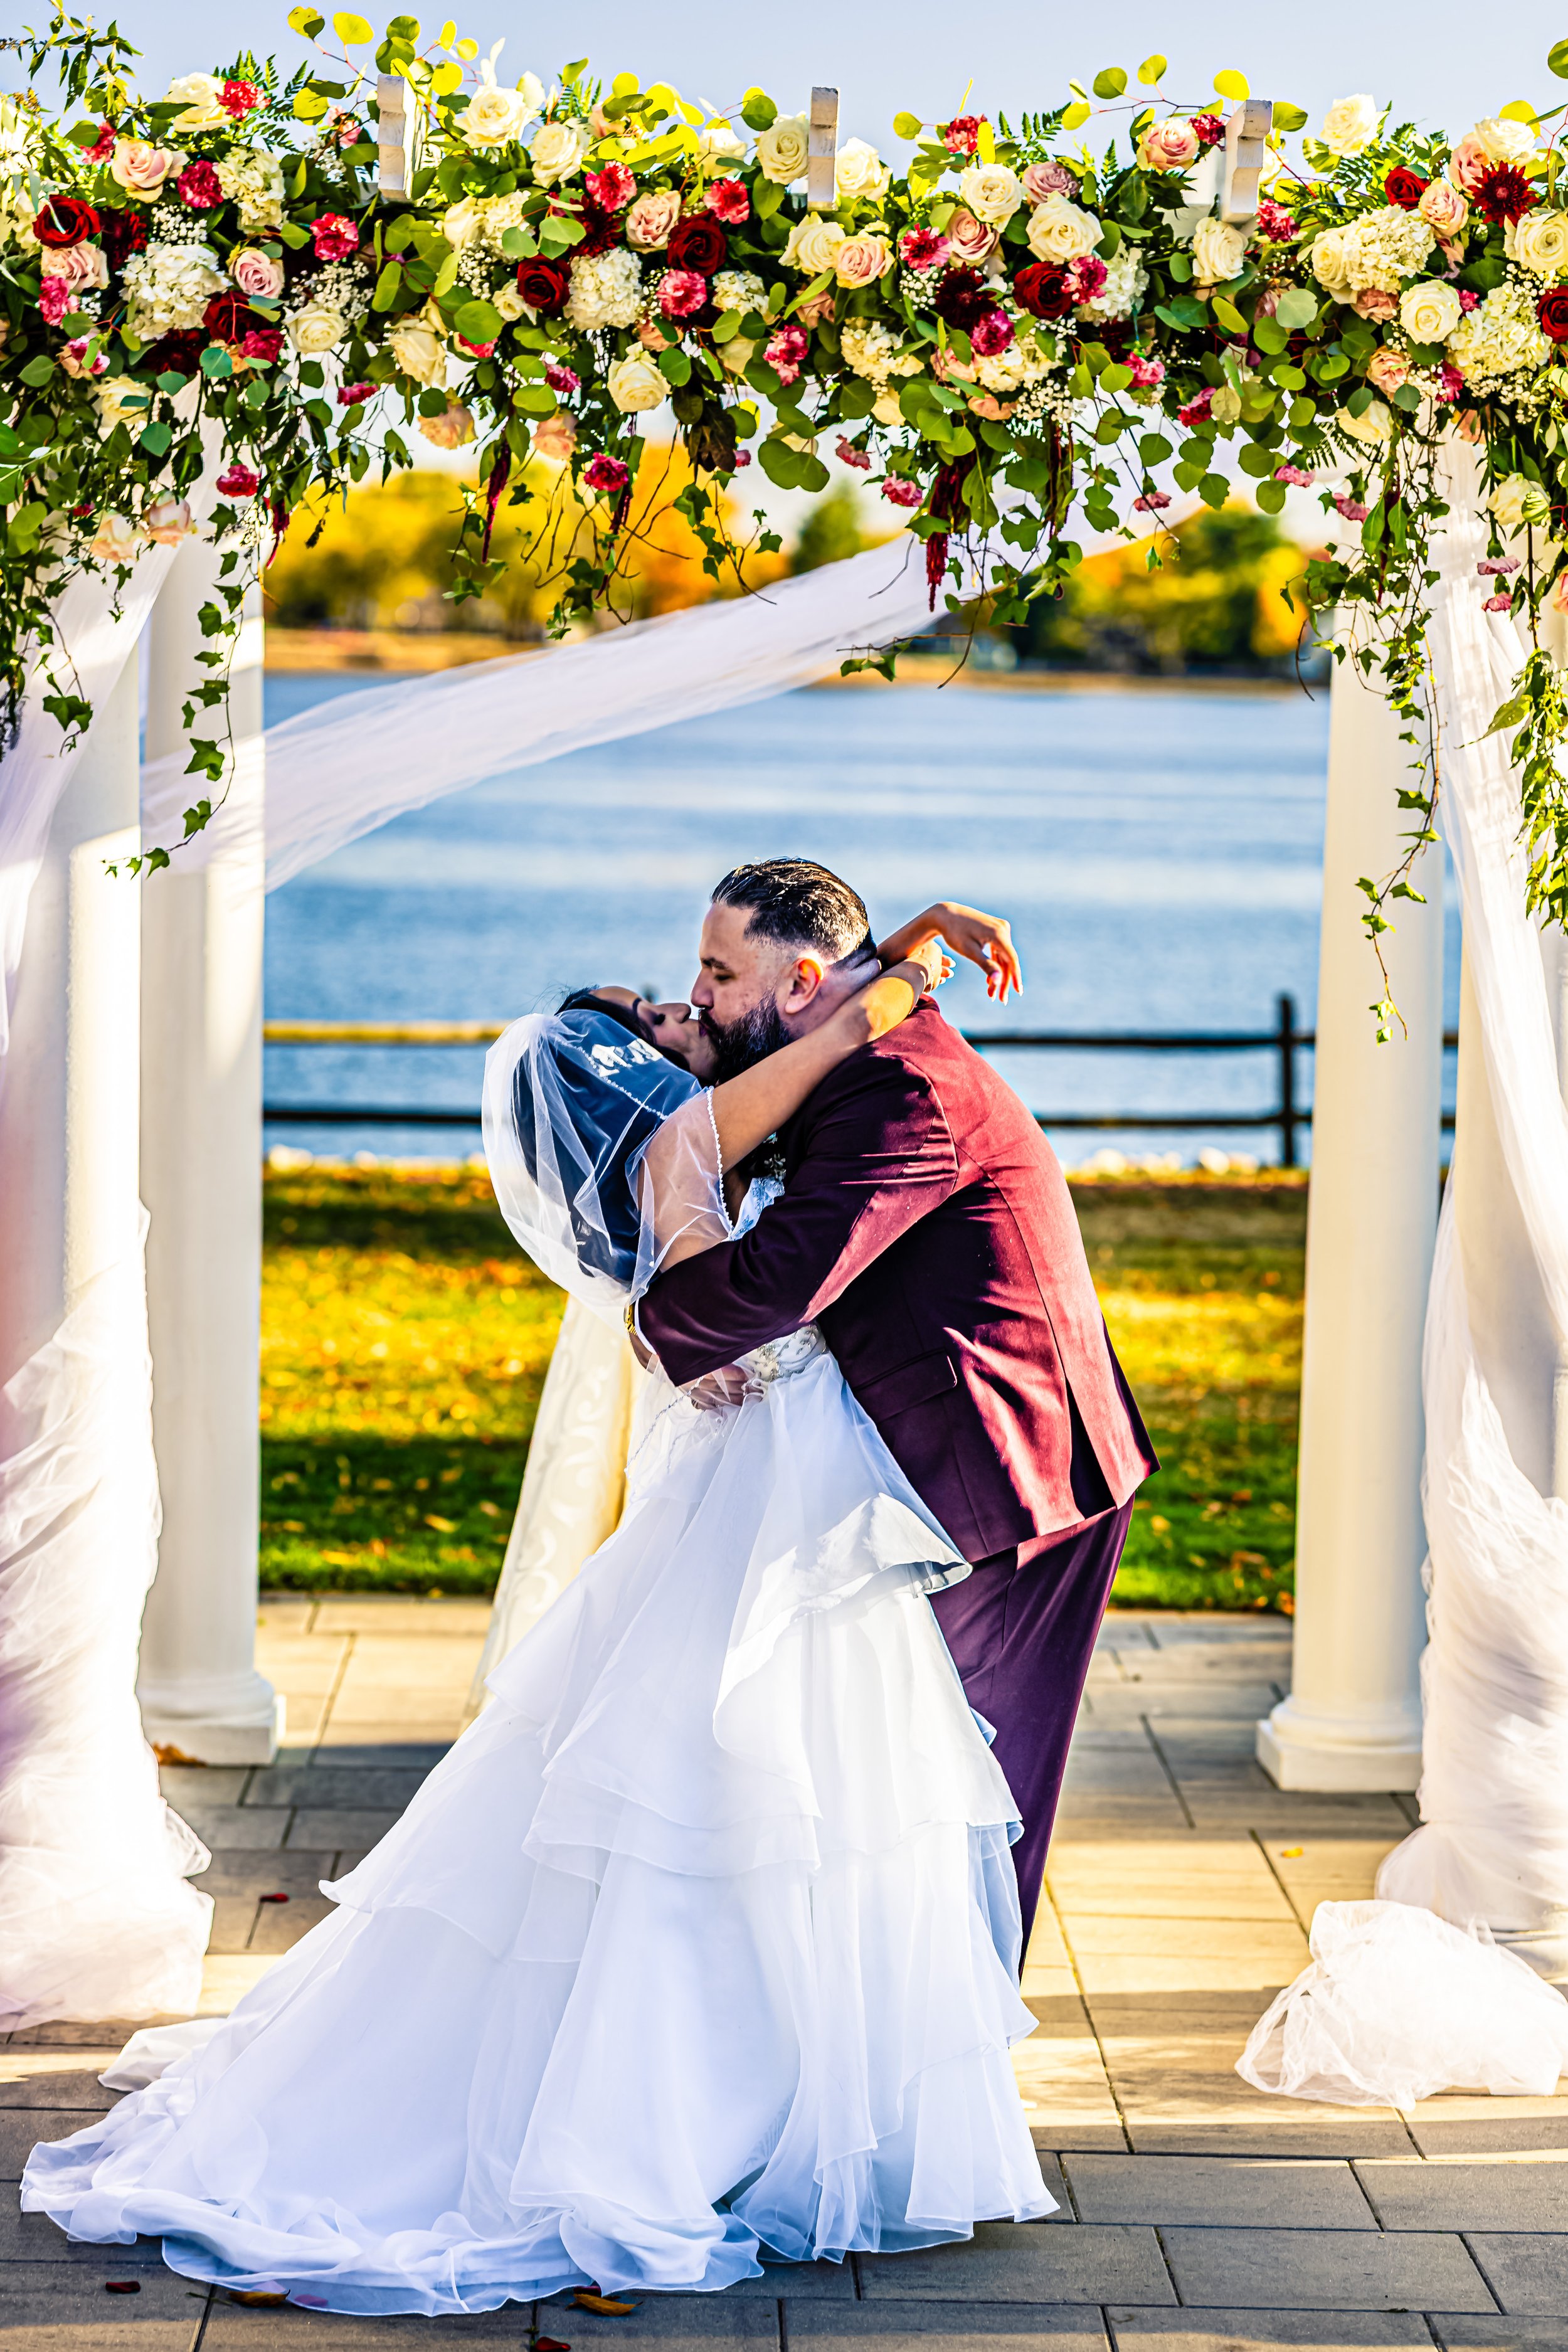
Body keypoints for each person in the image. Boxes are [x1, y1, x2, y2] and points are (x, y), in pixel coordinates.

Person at [22, 908, 1053, 2318]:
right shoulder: (693, 1130)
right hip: (770, 1481)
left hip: (774, 1474)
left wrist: (910, 946)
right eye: (673, 1010)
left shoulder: (700, 1115)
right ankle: (732, 2118)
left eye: (701, 989)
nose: (692, 1012)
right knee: (750, 1784)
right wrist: (892, 986)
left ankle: (767, 2105)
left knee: (766, 1780)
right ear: (635, 1076)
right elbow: (817, 1050)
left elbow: (810, 1017)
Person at [637, 860, 1156, 1949]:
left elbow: (787, 1275)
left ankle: (945, 2059)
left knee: (970, 1791)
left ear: (801, 981)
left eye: (718, 972)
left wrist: (653, 1321)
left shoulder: (898, 1088)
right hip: (938, 1457)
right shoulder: (853, 1038)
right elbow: (882, 972)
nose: (697, 995)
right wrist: (923, 929)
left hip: (1012, 1475)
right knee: (890, 1772)